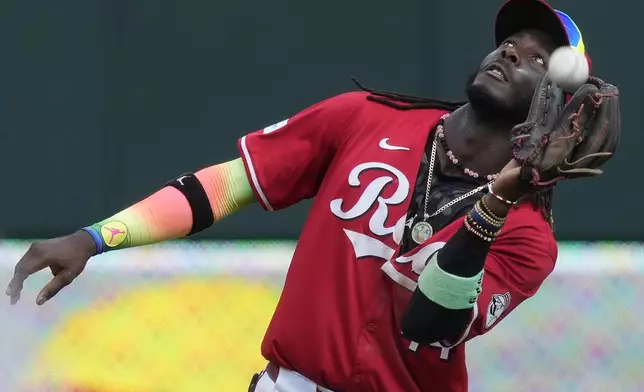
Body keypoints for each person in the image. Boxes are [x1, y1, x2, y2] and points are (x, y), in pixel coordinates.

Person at [5, 1, 619, 391]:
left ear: (556, 106)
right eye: (510, 41)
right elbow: (223, 188)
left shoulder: (528, 236)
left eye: (542, 58)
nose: (512, 51)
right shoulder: (364, 119)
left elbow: (431, 321)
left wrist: (499, 200)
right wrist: (93, 238)